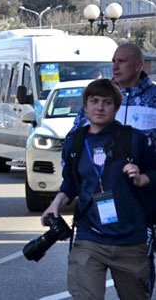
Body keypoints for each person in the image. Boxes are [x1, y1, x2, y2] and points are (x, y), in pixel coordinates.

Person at [43, 79, 156, 300]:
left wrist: (143, 178)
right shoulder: (74, 143)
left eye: (107, 102)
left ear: (116, 107)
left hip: (130, 241)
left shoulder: (134, 139)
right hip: (89, 238)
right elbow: (71, 183)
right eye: (94, 101)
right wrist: (55, 203)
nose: (100, 107)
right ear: (85, 106)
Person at [73, 43, 156, 292]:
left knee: (138, 280)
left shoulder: (153, 99)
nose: (115, 66)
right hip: (100, 199)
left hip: (143, 200)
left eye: (121, 61)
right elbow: (77, 141)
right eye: (113, 61)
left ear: (138, 65)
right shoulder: (102, 98)